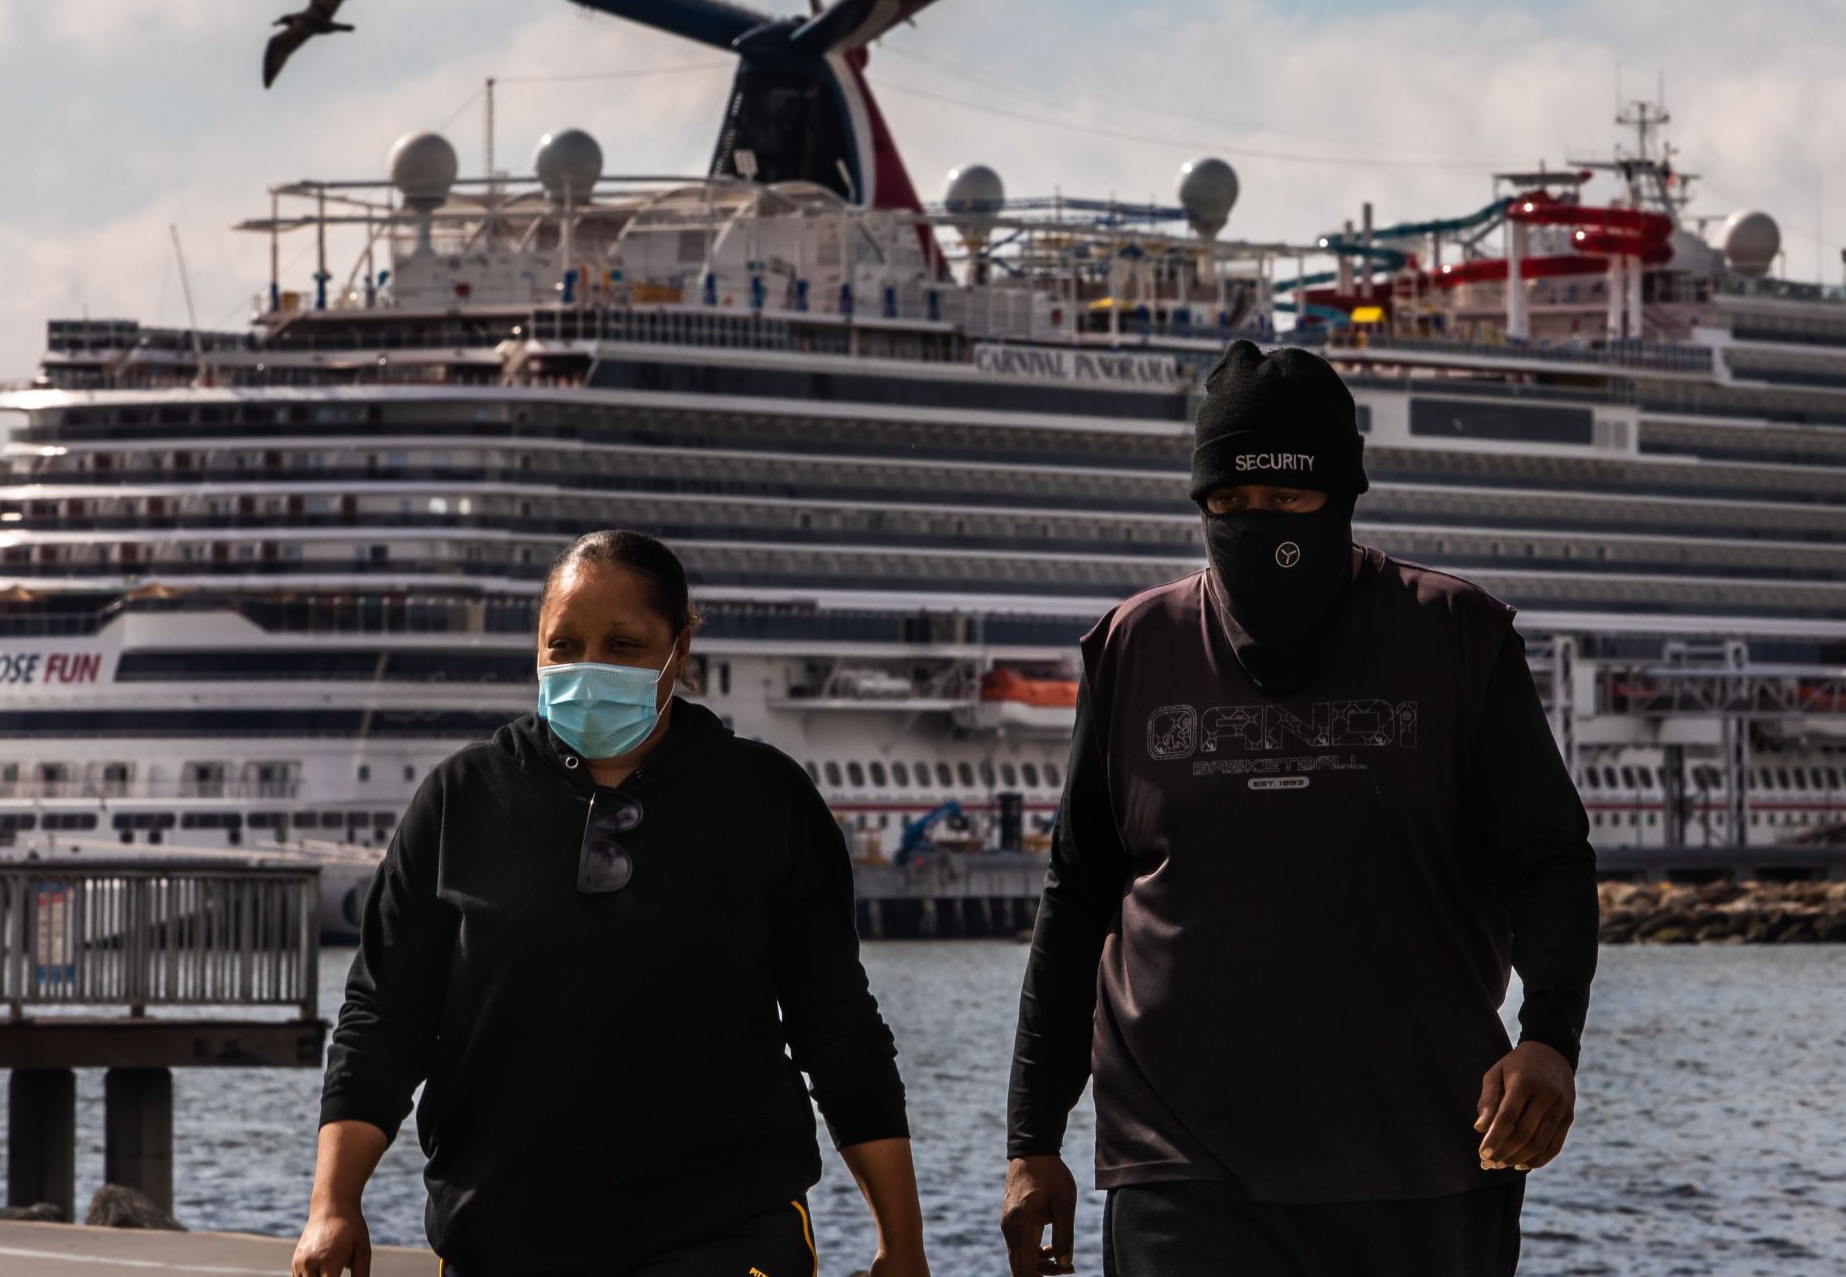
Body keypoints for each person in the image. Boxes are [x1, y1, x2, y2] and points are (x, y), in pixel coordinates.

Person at [999, 339, 1600, 1277]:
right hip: (1179, 1165)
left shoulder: (1456, 635)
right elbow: (1076, 898)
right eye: (1228, 503)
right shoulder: (1132, 648)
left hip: (1424, 1155)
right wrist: (1032, 1139)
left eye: (1285, 501)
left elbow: (1548, 859)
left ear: (1343, 497)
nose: (1254, 525)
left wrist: (1550, 1040)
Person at [295, 529, 929, 1277]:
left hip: (723, 1237)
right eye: (563, 646)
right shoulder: (459, 800)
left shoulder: (766, 799)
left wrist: (903, 1242)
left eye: (623, 645)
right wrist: (332, 1206)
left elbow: (838, 1027)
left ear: (679, 647)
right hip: (499, 1239)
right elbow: (384, 1017)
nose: (588, 669)